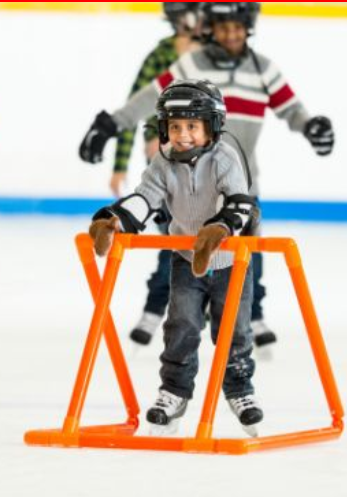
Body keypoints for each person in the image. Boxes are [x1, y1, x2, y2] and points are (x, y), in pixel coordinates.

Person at [80, 2, 335, 352]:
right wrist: (112, 123)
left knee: (249, 251)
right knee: (181, 243)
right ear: (210, 28)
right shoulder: (193, 65)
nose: (230, 35)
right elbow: (152, 97)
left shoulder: (263, 71)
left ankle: (251, 312)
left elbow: (290, 108)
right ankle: (175, 307)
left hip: (243, 184)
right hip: (189, 183)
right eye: (222, 27)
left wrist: (310, 126)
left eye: (237, 28)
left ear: (248, 28)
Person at [88, 80, 263, 436]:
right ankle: (174, 391)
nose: (182, 135)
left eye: (192, 126)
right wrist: (116, 220)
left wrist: (218, 230)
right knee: (181, 326)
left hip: (232, 262)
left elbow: (242, 204)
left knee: (234, 331)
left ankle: (240, 391)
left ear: (211, 126)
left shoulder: (225, 157)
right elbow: (145, 197)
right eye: (175, 126)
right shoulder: (163, 162)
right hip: (187, 258)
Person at [111, 2, 203, 347]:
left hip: (208, 166)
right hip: (166, 167)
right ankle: (155, 310)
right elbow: (134, 105)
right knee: (173, 241)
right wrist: (120, 164)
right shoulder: (161, 55)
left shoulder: (213, 55)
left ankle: (206, 312)